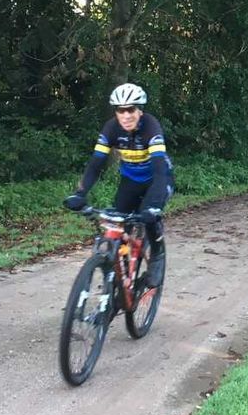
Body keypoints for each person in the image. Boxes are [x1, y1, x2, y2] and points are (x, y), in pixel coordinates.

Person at [63, 83, 174, 287]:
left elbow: (160, 170)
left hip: (156, 180)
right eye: (121, 110)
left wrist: (154, 206)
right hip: (131, 181)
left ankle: (157, 255)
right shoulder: (111, 128)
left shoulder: (151, 126)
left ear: (140, 110)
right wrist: (80, 193)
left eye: (131, 109)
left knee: (149, 218)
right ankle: (120, 276)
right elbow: (96, 164)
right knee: (117, 223)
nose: (126, 116)